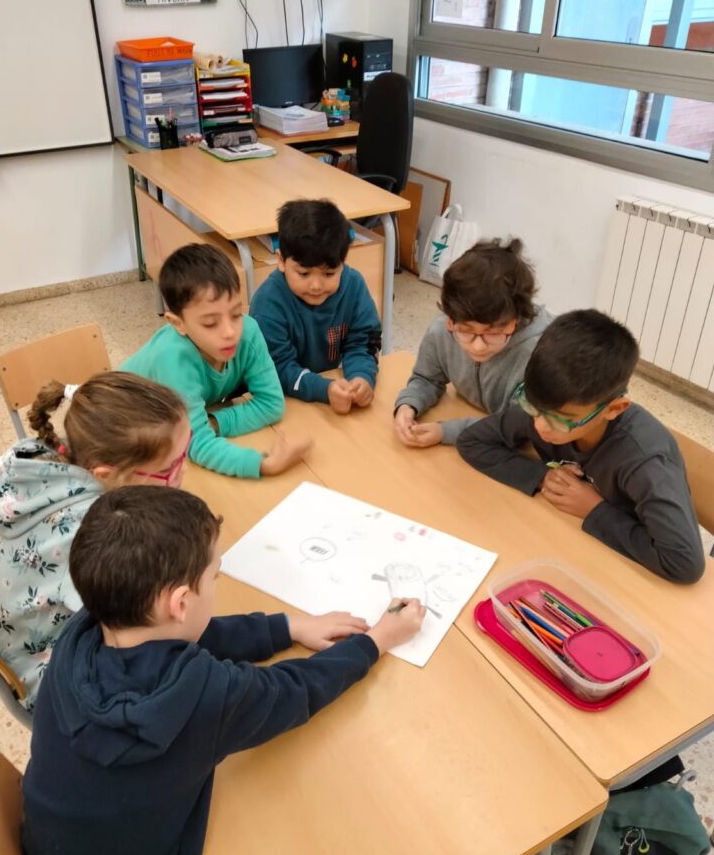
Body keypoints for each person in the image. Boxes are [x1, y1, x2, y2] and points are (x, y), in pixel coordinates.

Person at [22, 486, 425, 855]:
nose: (216, 585)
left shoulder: (81, 635)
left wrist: (286, 627)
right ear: (179, 603)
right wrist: (378, 640)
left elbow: (184, 639)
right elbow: (294, 691)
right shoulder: (200, 698)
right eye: (214, 577)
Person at [0, 372, 190, 709]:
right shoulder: (94, 538)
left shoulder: (60, 464)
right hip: (55, 681)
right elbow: (131, 627)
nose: (184, 471)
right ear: (108, 475)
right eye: (170, 469)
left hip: (38, 628)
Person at [457, 310, 705, 584]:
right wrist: (541, 477)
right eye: (533, 406)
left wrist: (594, 509)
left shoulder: (645, 462)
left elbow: (683, 563)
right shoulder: (550, 406)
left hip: (623, 570)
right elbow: (472, 441)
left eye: (561, 420)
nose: (540, 426)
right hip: (569, 545)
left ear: (614, 409)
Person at [123, 243, 310, 477]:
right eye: (210, 323)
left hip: (163, 428)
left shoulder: (249, 332)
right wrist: (263, 464)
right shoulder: (172, 357)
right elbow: (194, 442)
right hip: (119, 428)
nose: (230, 332)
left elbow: (272, 404)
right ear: (177, 324)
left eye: (236, 314)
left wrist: (214, 422)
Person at [394, 238, 552, 447]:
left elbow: (518, 427)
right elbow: (427, 379)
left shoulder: (540, 353)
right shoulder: (442, 330)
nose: (478, 346)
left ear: (517, 319)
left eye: (493, 332)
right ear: (450, 318)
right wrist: (408, 404)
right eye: (466, 330)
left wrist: (446, 432)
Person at [249, 199, 381, 414]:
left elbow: (363, 343)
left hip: (329, 394)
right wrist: (324, 389)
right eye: (304, 274)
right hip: (286, 404)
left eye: (329, 273)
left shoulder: (354, 286)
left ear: (343, 262)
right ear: (281, 260)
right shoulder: (268, 303)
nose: (316, 286)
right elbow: (277, 368)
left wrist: (361, 378)